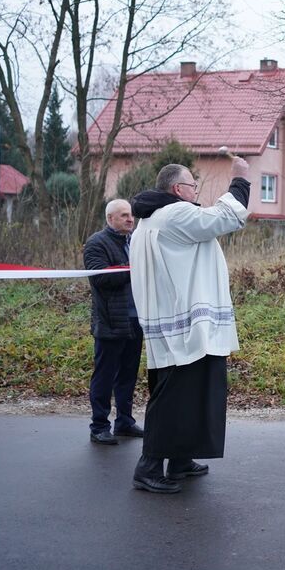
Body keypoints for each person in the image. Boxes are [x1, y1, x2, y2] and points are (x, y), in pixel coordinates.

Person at [128, 160, 251, 494]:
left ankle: (180, 458)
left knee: (191, 396)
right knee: (173, 398)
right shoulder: (174, 215)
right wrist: (240, 180)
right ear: (177, 190)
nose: (196, 193)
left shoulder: (149, 222)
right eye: (193, 186)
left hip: (173, 322)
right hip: (185, 325)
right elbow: (225, 217)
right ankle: (149, 466)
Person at [83, 199, 144, 445]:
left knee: (128, 374)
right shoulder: (96, 243)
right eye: (123, 215)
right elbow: (100, 278)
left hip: (135, 319)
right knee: (105, 375)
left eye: (131, 215)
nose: (130, 219)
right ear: (110, 219)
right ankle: (99, 425)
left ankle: (125, 422)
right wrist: (133, 268)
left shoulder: (135, 241)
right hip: (110, 321)